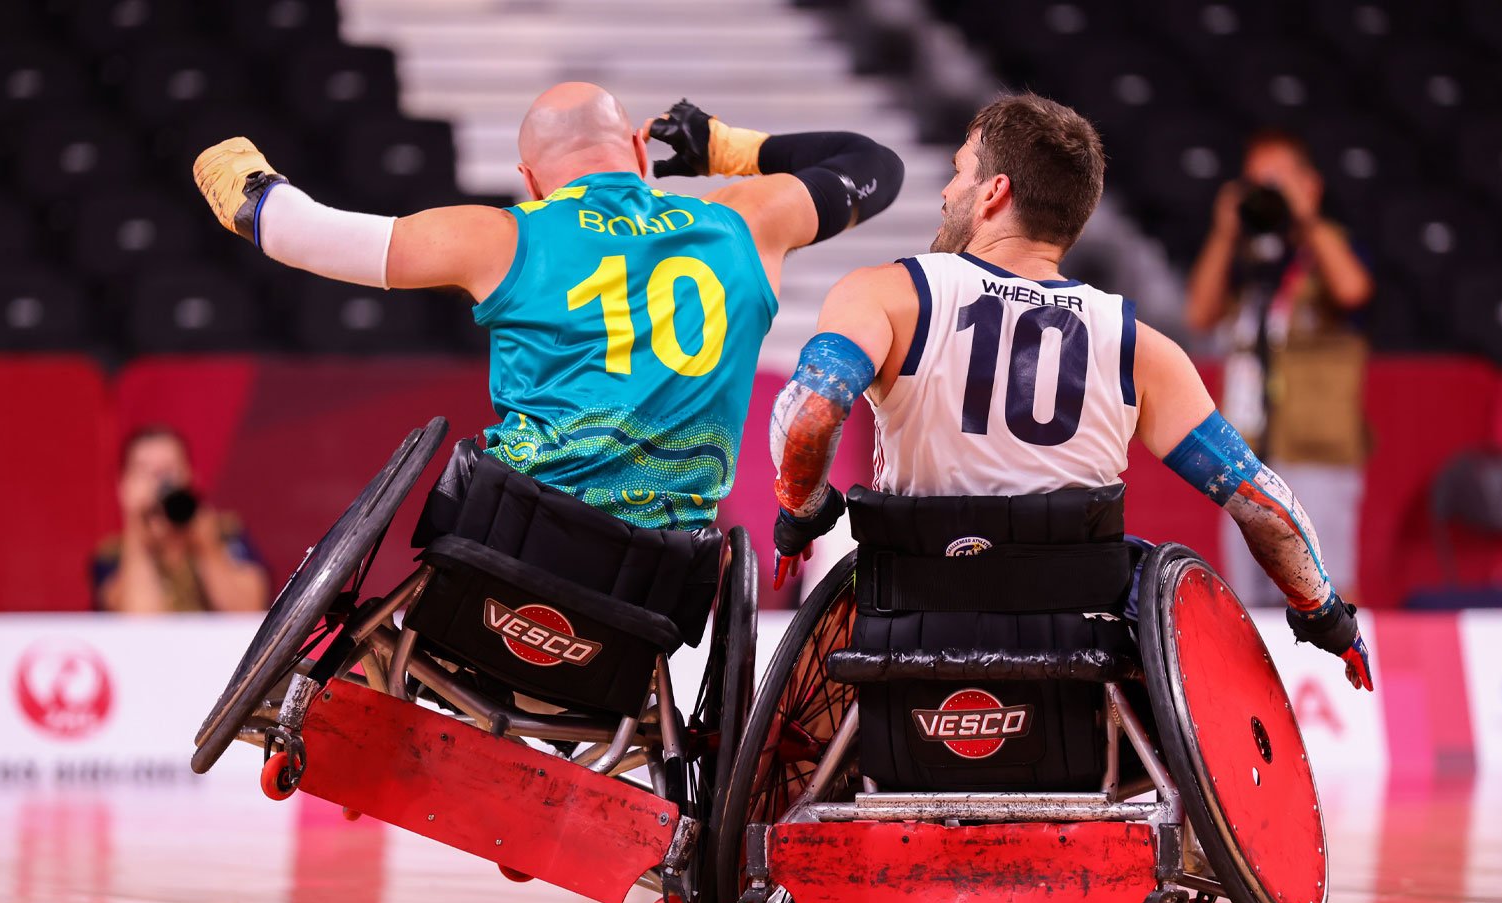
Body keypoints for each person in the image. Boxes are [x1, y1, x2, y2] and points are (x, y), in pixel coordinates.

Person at [766, 94, 1372, 692]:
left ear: (994, 193)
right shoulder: (1141, 347)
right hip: (1076, 667)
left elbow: (811, 416)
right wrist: (1326, 616)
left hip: (908, 640)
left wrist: (803, 514)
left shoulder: (885, 294)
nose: (947, 192)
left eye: (958, 172)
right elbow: (1263, 505)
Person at [191, 83, 903, 530]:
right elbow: (876, 165)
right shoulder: (746, 222)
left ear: (530, 181)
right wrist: (727, 147)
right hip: (671, 567)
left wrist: (247, 186)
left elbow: (302, 233)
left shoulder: (506, 236)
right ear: (637, 150)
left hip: (520, 537)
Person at [1184, 128, 1375, 607]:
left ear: (1309, 182)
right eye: (1256, 183)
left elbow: (1354, 290)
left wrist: (1307, 218)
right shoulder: (1246, 259)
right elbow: (1200, 313)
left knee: (1327, 590)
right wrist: (1226, 231)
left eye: (1277, 181)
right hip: (1246, 454)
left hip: (1315, 451)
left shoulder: (1331, 248)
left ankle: (1337, 678)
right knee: (1247, 599)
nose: (1266, 193)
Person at [93, 426, 269, 613]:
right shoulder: (113, 554)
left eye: (169, 471)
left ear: (191, 476)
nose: (158, 483)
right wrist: (137, 526)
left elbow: (247, 613)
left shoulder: (226, 534)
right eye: (144, 471)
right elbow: (138, 626)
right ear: (124, 485)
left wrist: (206, 545)